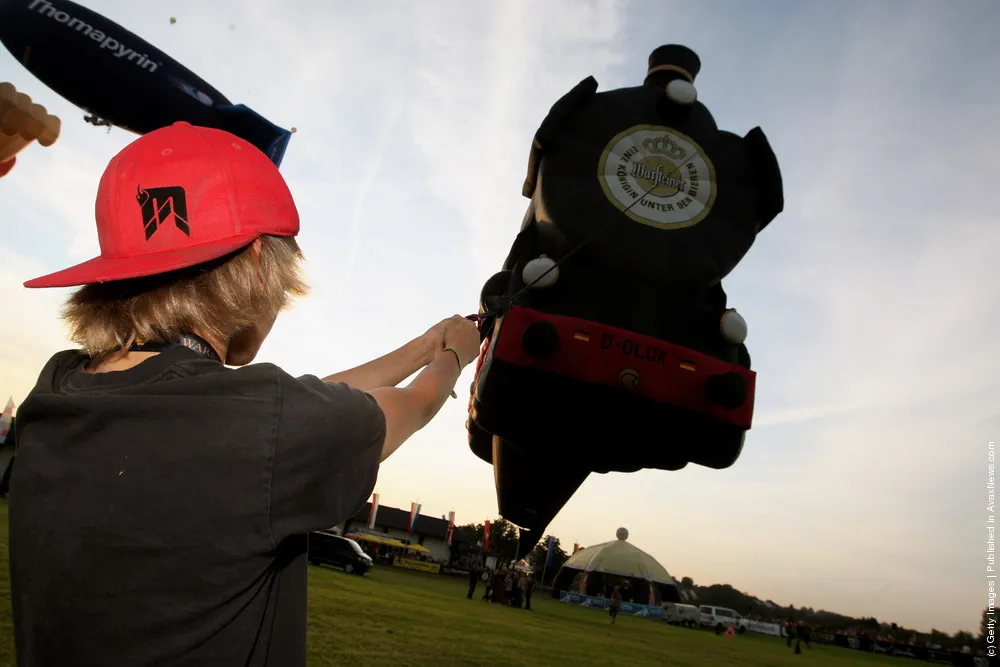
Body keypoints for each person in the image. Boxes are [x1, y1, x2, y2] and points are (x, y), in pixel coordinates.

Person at [7, 123, 483, 667]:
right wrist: (454, 354)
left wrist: (422, 346)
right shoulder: (262, 426)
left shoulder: (58, 390)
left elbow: (275, 415)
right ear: (259, 264)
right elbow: (412, 405)